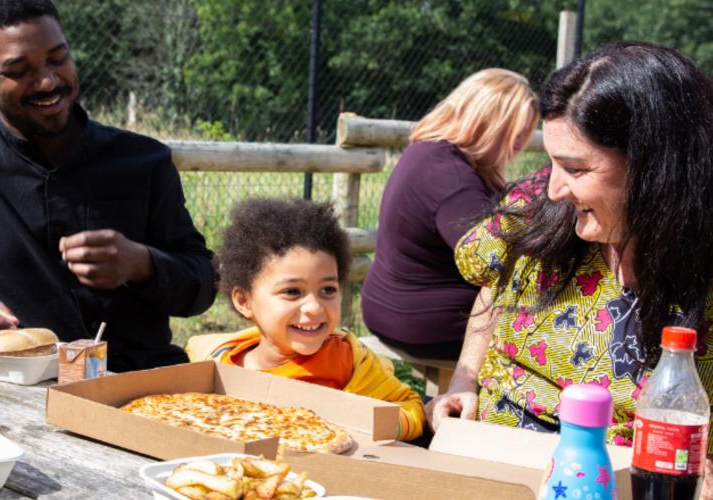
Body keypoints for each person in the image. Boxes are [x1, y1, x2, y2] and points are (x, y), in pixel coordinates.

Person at [424, 42, 713, 496]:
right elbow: (495, 284)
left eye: (575, 168)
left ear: (655, 167)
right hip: (492, 459)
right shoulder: (536, 211)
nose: (553, 188)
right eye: (550, 162)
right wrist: (465, 379)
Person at [0, 0, 217, 372]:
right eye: (19, 70)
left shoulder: (144, 161)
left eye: (57, 58)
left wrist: (141, 263)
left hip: (135, 383)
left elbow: (201, 285)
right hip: (7, 385)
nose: (48, 81)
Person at [186, 198, 425, 442]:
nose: (313, 307)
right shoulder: (215, 366)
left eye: (328, 290)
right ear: (244, 301)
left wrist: (361, 426)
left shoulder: (347, 362)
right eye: (292, 292)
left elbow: (409, 408)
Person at [361, 69, 538, 360]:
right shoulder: (454, 181)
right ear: (485, 122)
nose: (520, 145)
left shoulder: (428, 152)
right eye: (514, 133)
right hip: (423, 322)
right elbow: (492, 260)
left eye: (524, 134)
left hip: (386, 308)